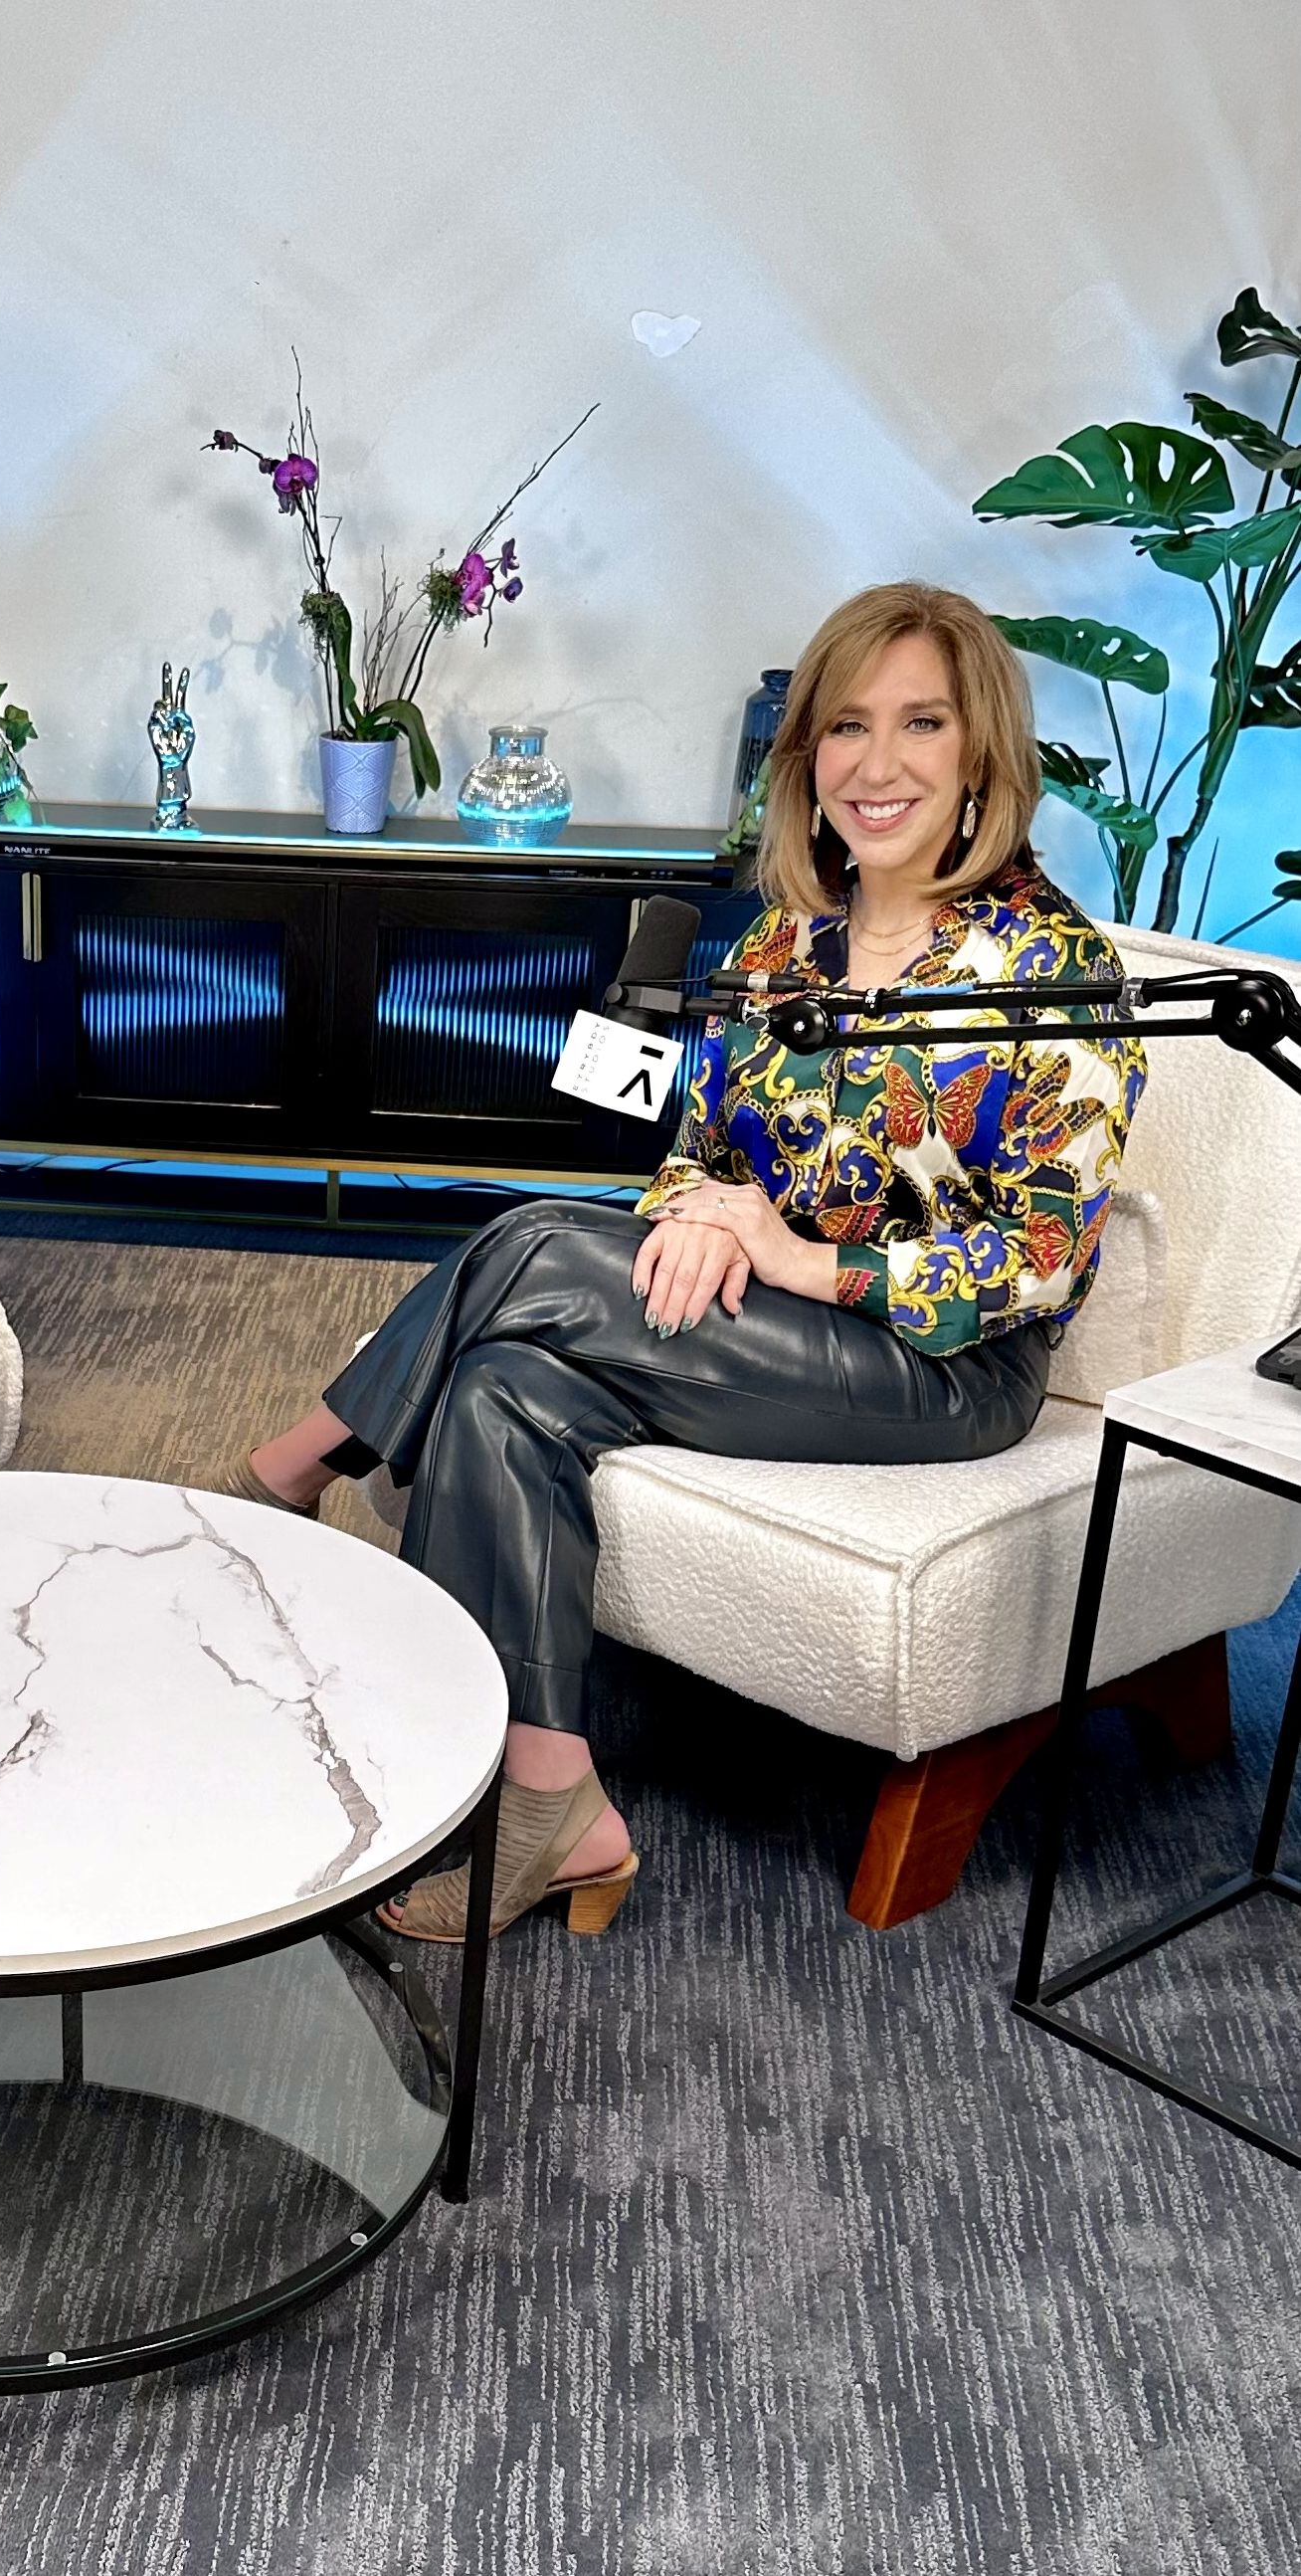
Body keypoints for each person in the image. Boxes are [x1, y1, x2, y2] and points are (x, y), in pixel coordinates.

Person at [231, 581, 1148, 1944]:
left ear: (978, 756)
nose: (874, 764)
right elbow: (693, 1144)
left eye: (917, 724)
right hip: (763, 1326)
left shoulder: (1049, 969)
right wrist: (694, 1222)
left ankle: (285, 1469)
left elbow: (1034, 1257)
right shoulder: (787, 942)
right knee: (498, 1390)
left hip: (935, 1365)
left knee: (531, 1241)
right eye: (844, 726)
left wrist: (797, 1261)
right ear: (806, 758)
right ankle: (554, 1805)